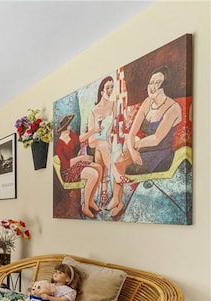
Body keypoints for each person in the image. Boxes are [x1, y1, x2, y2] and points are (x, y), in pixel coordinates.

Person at [108, 65, 183, 218]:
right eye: (151, 82)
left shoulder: (173, 108)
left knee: (121, 165)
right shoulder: (147, 103)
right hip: (142, 148)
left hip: (160, 154)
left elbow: (156, 139)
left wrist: (136, 145)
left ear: (165, 85)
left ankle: (118, 200)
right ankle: (117, 199)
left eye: (157, 83)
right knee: (118, 163)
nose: (152, 87)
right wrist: (133, 148)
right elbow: (131, 133)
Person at [55, 114, 103, 218]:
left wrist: (93, 131)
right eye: (69, 126)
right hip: (68, 172)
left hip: (76, 165)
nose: (70, 127)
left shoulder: (70, 135)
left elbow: (79, 139)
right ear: (65, 128)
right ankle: (85, 207)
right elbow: (66, 165)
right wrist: (82, 158)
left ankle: (90, 201)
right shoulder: (59, 145)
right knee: (93, 174)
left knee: (99, 167)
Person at [85, 76, 117, 207]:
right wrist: (101, 137)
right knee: (102, 146)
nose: (110, 90)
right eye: (107, 87)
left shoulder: (114, 105)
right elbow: (91, 139)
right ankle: (115, 176)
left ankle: (100, 194)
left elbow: (114, 126)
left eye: (112, 87)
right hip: (94, 143)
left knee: (102, 153)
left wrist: (108, 138)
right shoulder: (93, 111)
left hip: (107, 144)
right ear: (102, 91)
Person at [14, 263, 81, 301]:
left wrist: (48, 298)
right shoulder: (50, 285)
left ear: (68, 279)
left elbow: (60, 300)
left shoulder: (69, 291)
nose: (56, 274)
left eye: (60, 273)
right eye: (55, 272)